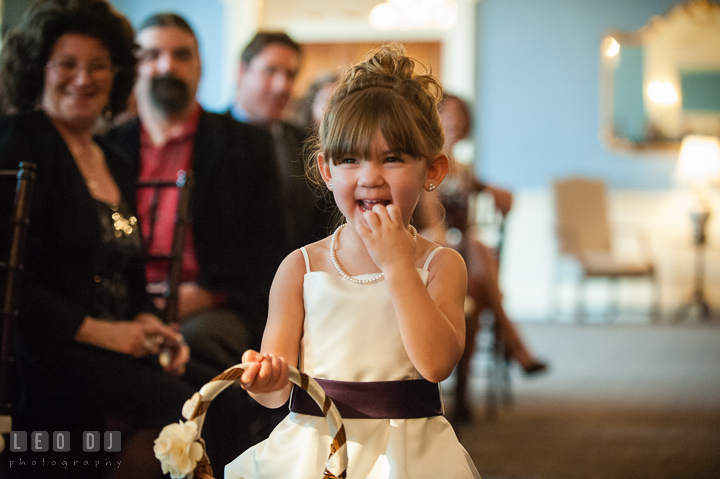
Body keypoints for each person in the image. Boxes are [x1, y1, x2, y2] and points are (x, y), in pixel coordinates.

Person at [0, 2, 249, 477]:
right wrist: (107, 333)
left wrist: (153, 325)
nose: (83, 79)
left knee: (222, 394)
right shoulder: (20, 141)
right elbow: (13, 285)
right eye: (67, 64)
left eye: (98, 66)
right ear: (38, 71)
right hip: (45, 354)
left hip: (111, 348)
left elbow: (130, 277)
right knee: (184, 405)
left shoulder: (112, 157)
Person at [225, 45, 480, 479]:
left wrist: (398, 265)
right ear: (326, 170)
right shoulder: (300, 268)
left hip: (410, 455)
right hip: (314, 450)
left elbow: (437, 364)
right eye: (350, 159)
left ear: (432, 170)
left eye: (393, 158)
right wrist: (267, 381)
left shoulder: (441, 265)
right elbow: (276, 388)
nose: (369, 176)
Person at [106, 14, 286, 374]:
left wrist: (197, 296)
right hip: (123, 305)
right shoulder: (107, 147)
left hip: (211, 305)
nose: (166, 66)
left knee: (193, 348)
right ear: (133, 68)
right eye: (152, 54)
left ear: (200, 67)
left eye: (181, 55)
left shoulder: (247, 145)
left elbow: (268, 248)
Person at [418, 93, 547, 422]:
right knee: (475, 256)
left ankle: (463, 395)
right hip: (428, 250)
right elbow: (433, 221)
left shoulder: (460, 167)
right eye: (448, 115)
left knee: (474, 274)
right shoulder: (423, 161)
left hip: (461, 254)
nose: (455, 122)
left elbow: (481, 190)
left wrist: (494, 191)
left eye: (461, 117)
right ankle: (512, 338)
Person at [229, 32, 334, 249]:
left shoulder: (306, 143)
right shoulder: (211, 136)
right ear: (242, 71)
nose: (282, 86)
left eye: (290, 75)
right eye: (270, 71)